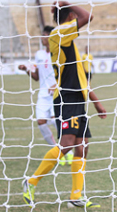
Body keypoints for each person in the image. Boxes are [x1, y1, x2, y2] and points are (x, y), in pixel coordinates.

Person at [22, 1, 107, 208]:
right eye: (72, 17)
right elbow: (88, 17)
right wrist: (68, 3)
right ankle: (31, 181)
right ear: (70, 18)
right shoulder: (59, 34)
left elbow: (80, 77)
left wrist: (95, 102)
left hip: (77, 98)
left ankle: (75, 197)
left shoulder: (66, 38)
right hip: (66, 98)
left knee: (82, 146)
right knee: (67, 144)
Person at [18, 26, 74, 166]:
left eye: (44, 35)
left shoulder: (58, 53)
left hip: (57, 94)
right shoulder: (39, 55)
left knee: (57, 122)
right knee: (41, 122)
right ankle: (56, 150)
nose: (42, 38)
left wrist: (56, 85)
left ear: (51, 37)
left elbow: (66, 74)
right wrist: (27, 70)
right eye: (42, 35)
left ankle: (68, 151)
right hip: (43, 94)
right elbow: (37, 77)